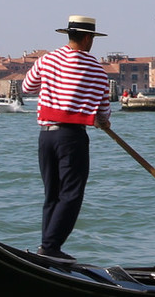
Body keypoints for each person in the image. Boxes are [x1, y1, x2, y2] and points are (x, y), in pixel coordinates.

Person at [20, 15, 112, 260]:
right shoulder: (96, 70)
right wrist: (103, 121)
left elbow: (27, 87)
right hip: (72, 138)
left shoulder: (47, 60)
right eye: (91, 38)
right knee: (71, 194)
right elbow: (103, 111)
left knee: (52, 193)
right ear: (86, 38)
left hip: (46, 136)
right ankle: (50, 247)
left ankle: (47, 245)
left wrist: (53, 87)